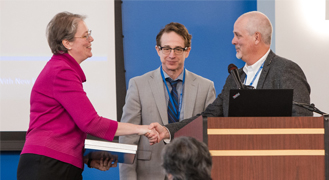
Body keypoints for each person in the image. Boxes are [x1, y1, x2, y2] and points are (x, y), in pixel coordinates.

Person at [16, 12, 158, 180]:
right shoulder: (61, 71)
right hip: (47, 166)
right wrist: (142, 129)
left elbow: (64, 127)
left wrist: (87, 159)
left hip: (53, 165)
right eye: (85, 35)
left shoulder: (61, 69)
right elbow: (91, 123)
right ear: (67, 43)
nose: (91, 39)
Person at [149, 11, 313, 143]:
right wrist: (168, 130)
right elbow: (208, 117)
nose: (233, 41)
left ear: (256, 37)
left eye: (238, 35)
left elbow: (302, 124)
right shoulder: (235, 78)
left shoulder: (285, 70)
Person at [119, 22, 216, 180]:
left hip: (191, 174)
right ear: (158, 50)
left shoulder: (205, 87)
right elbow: (128, 137)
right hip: (149, 174)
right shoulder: (138, 85)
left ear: (187, 51)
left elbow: (210, 136)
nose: (172, 55)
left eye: (178, 49)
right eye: (166, 48)